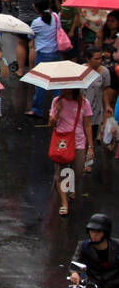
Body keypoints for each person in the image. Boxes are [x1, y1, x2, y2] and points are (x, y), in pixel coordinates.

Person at [68, 215, 119, 288]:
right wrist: (75, 273)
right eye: (91, 231)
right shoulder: (84, 246)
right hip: (93, 287)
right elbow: (75, 261)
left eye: (98, 232)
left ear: (105, 233)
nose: (94, 234)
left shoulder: (117, 246)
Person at [50, 86, 94, 216]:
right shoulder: (56, 101)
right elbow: (51, 123)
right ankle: (64, 203)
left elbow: (87, 125)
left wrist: (90, 147)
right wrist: (56, 112)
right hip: (61, 142)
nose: (64, 90)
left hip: (78, 142)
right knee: (60, 175)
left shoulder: (84, 103)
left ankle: (69, 186)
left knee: (78, 171)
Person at [30, 0, 63, 119]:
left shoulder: (36, 22)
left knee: (40, 84)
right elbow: (59, 30)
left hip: (43, 56)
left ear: (37, 8)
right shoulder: (56, 17)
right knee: (56, 85)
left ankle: (37, 110)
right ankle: (57, 110)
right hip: (56, 54)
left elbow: (31, 36)